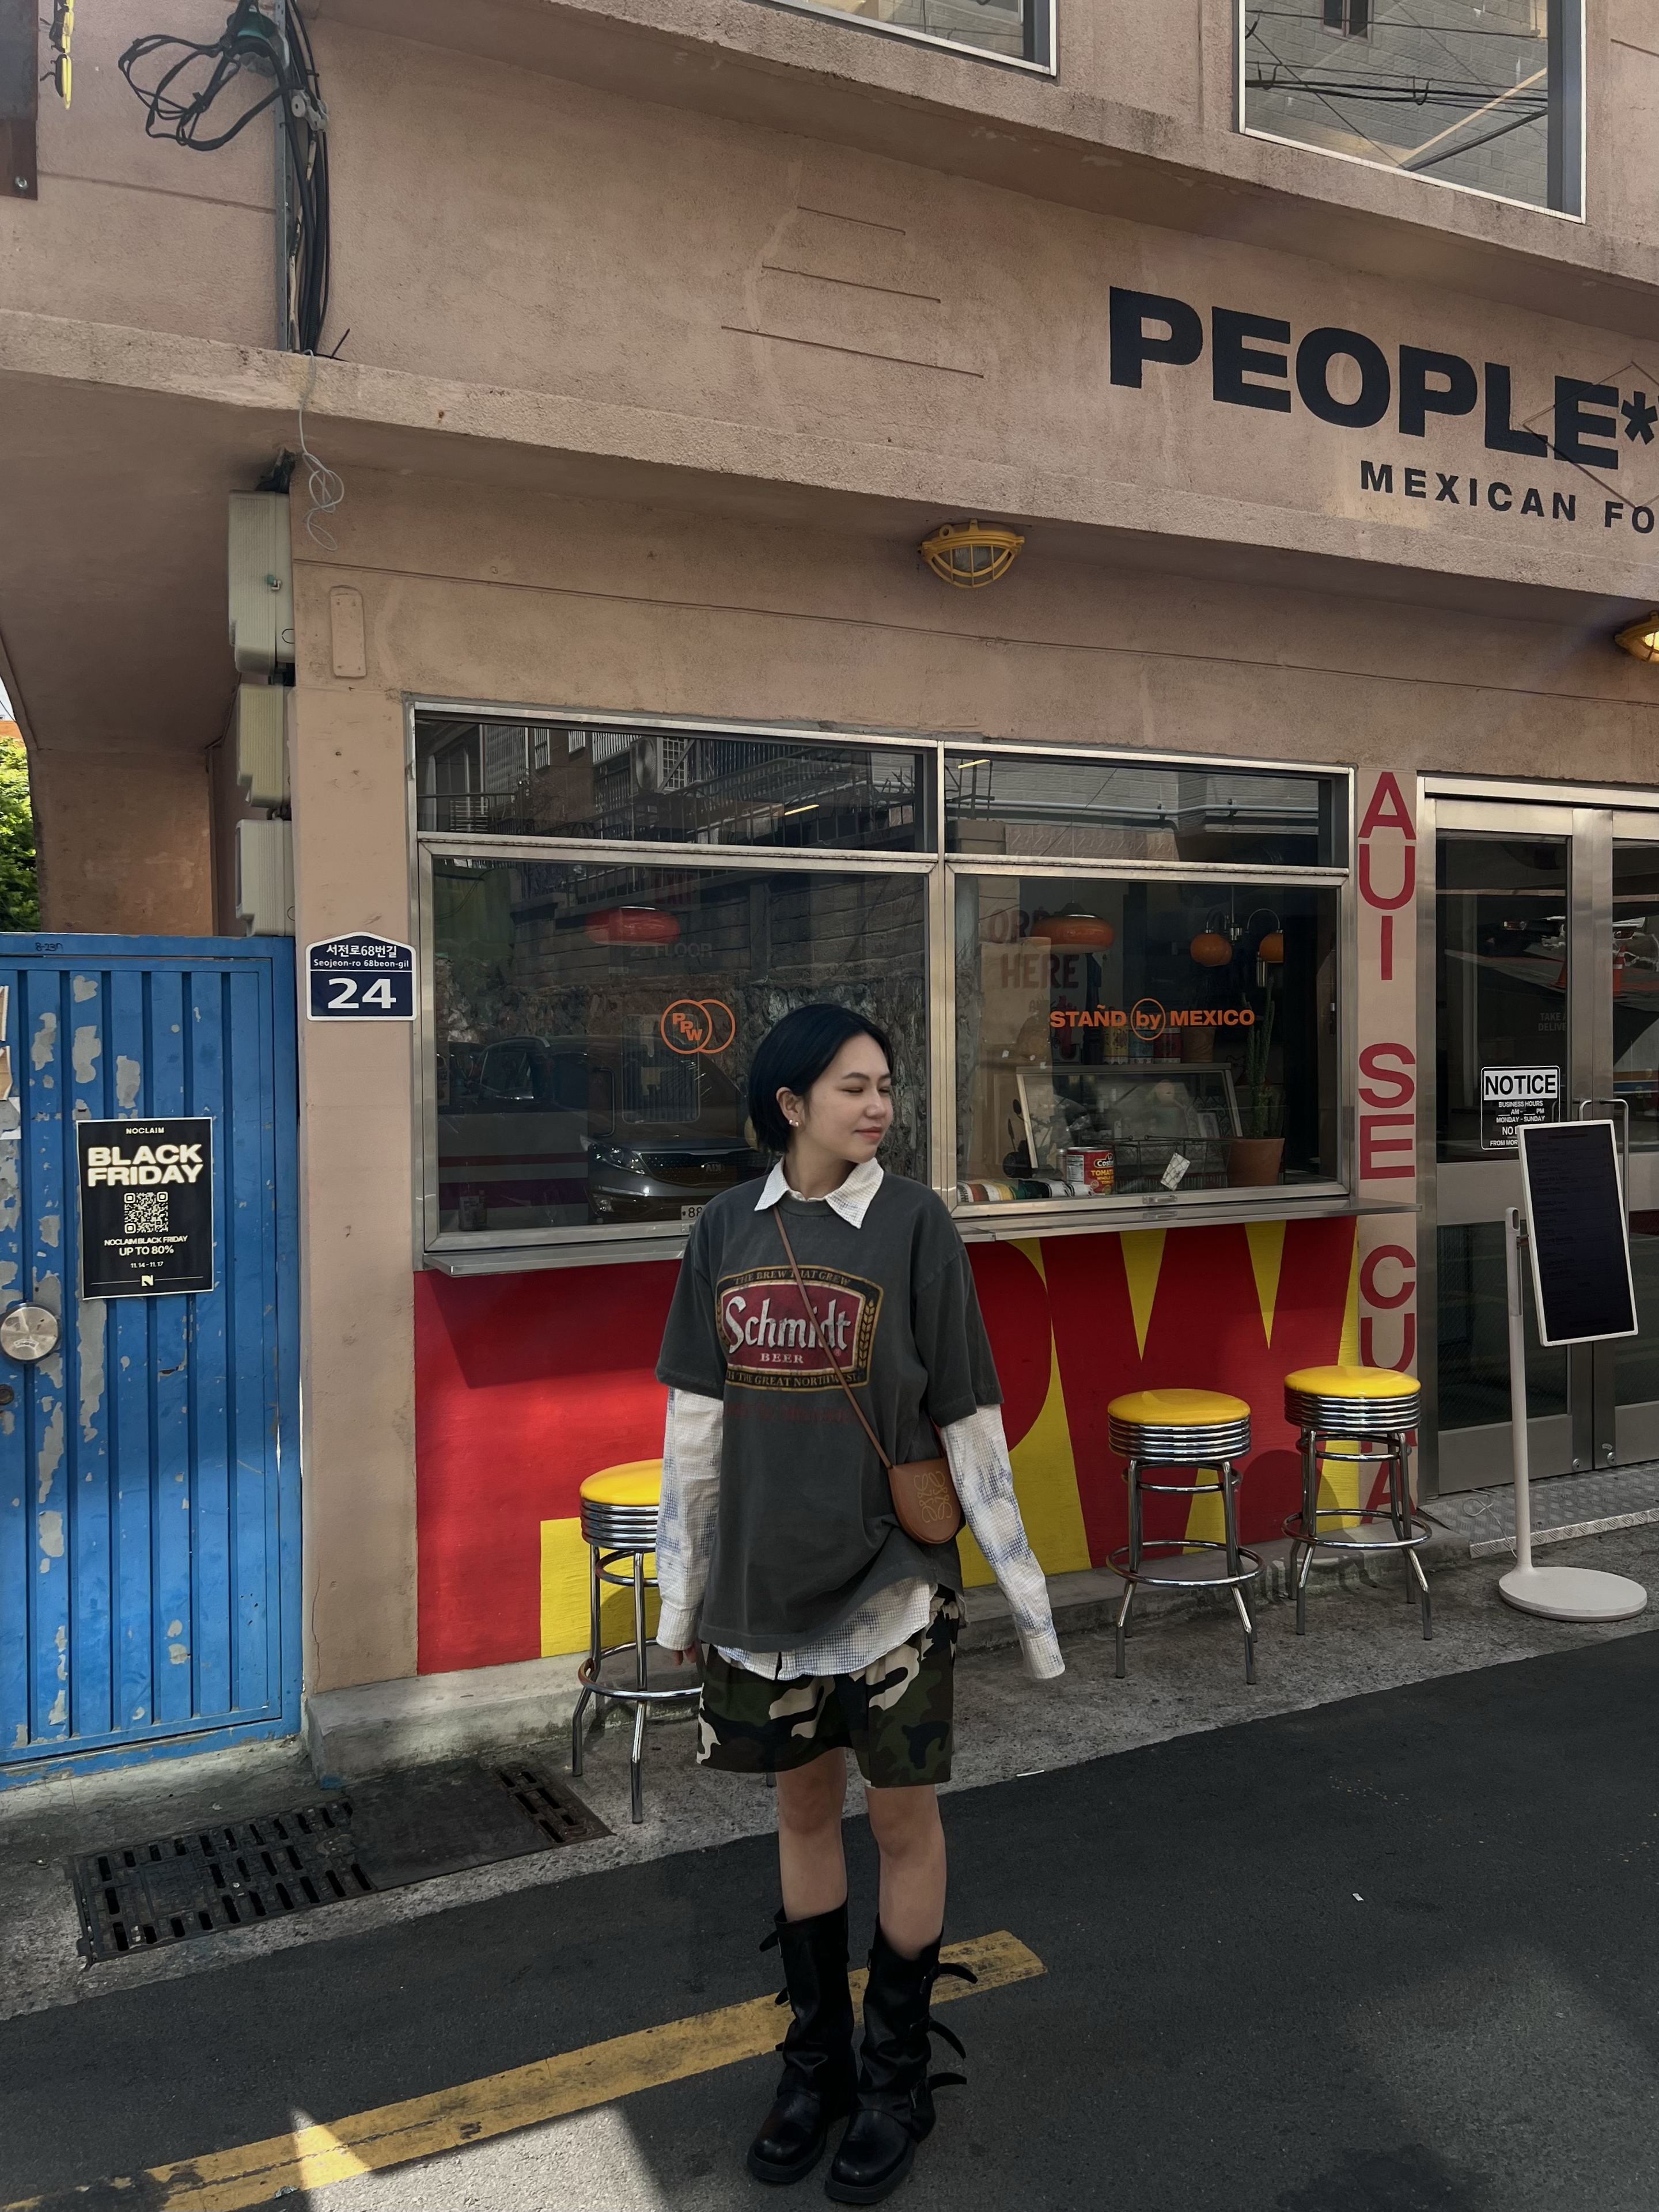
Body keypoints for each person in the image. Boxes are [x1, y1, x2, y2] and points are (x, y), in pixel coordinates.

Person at [654, 1003, 1063, 2203]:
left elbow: (968, 1413)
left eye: (885, 1084)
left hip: (893, 1587)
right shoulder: (724, 1229)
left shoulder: (918, 1222)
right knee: (799, 1813)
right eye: (853, 1086)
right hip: (763, 1588)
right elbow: (693, 1430)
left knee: (899, 1820)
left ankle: (894, 2080)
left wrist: (1029, 1598)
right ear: (790, 1104)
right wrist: (681, 1603)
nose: (879, 1105)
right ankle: (816, 2066)